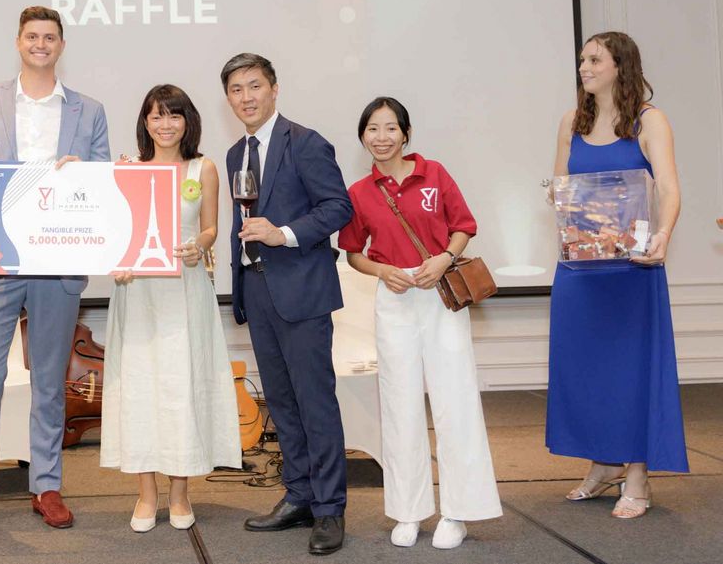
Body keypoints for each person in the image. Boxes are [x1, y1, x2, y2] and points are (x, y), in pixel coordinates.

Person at [0, 6, 110, 536]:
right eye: (32, 36)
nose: (41, 44)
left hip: (59, 260)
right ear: (18, 41)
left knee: (49, 377)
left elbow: (105, 184)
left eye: (50, 37)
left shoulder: (89, 110)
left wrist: (85, 176)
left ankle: (46, 485)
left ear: (61, 45)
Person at [338, 97, 501, 550]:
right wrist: (382, 271)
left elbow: (464, 226)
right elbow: (352, 252)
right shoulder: (360, 192)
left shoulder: (434, 174)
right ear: (362, 136)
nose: (382, 137)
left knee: (455, 400)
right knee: (399, 403)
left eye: (391, 128)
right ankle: (407, 510)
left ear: (406, 134)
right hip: (394, 299)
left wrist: (445, 257)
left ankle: (458, 511)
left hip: (440, 294)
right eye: (373, 129)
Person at [547, 31, 687, 518]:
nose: (584, 67)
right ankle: (604, 463)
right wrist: (561, 197)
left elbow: (668, 187)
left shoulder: (650, 120)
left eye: (594, 59)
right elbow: (560, 186)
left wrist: (663, 234)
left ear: (620, 66)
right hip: (581, 269)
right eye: (582, 59)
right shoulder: (571, 121)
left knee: (631, 372)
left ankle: (637, 474)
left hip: (631, 271)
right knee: (586, 370)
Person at [220, 53, 353, 556]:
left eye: (254, 86)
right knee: (280, 402)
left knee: (315, 402)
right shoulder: (236, 154)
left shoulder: (306, 142)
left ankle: (330, 508)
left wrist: (284, 234)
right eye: (236, 89)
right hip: (258, 290)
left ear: (274, 89)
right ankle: (299, 495)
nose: (246, 97)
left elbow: (338, 207)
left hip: (302, 290)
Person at [100, 85, 241, 532]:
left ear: (188, 121)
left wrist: (200, 245)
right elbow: (113, 231)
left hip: (185, 289)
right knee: (139, 386)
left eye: (174, 115)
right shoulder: (127, 169)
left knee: (183, 385)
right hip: (138, 292)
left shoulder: (203, 168)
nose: (165, 124)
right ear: (145, 122)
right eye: (157, 116)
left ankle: (180, 494)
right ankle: (146, 494)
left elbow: (211, 227)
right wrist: (117, 261)